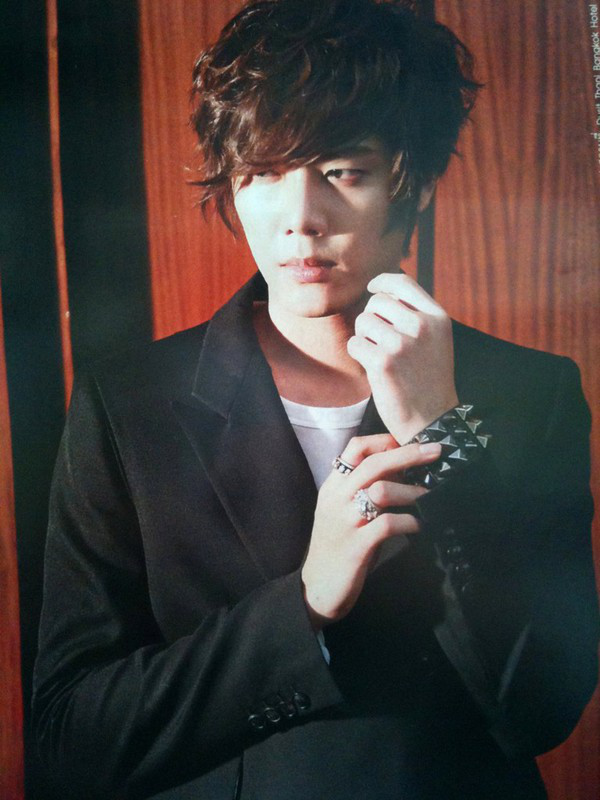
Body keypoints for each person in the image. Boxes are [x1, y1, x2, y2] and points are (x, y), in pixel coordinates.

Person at [32, 1, 598, 798]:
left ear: (414, 181)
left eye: (342, 171)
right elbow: (69, 741)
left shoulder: (528, 391)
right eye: (263, 173)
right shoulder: (129, 404)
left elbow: (541, 707)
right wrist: (304, 605)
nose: (300, 220)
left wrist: (443, 432)